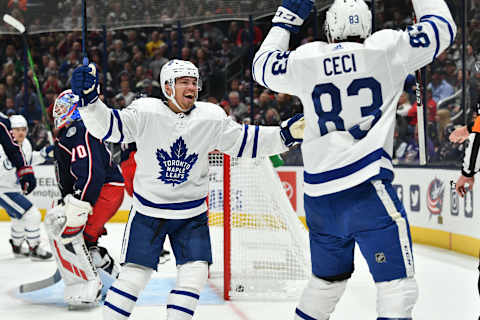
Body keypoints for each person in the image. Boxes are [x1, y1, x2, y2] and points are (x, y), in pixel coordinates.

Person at [252, 0, 456, 319]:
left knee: (325, 285)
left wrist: (286, 20)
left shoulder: (309, 57)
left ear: (331, 30)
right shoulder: (385, 48)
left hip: (319, 198)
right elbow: (443, 26)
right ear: (367, 26)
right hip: (366, 190)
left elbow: (261, 67)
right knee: (397, 287)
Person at [70, 59, 304, 319]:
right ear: (168, 86)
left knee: (194, 276)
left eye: (194, 82)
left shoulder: (210, 117)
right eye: (184, 82)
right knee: (133, 277)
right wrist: (90, 101)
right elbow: (109, 127)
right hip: (150, 213)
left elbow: (244, 141)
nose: (191, 87)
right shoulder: (145, 112)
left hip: (191, 215)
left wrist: (283, 136)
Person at [44, 89, 125, 308]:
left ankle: (87, 285)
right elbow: (70, 175)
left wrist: (81, 201)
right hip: (105, 190)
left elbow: (90, 170)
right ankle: (113, 278)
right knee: (84, 239)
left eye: (61, 108)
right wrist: (70, 198)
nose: (57, 113)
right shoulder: (71, 133)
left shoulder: (78, 130)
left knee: (71, 235)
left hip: (104, 191)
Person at [0, 115, 52, 260]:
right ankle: (34, 247)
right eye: (16, 130)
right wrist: (10, 165)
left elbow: (27, 160)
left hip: (13, 189)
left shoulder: (27, 144)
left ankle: (17, 246)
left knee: (19, 218)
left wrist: (44, 154)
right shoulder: (2, 147)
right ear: (9, 132)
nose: (20, 133)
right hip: (3, 190)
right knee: (32, 214)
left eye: (23, 129)